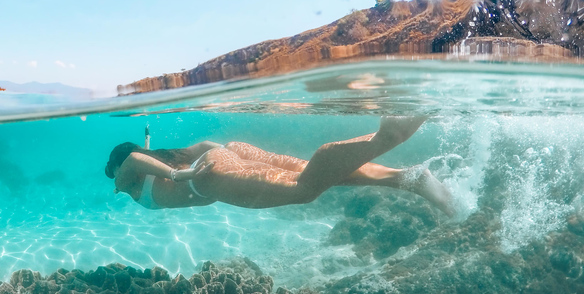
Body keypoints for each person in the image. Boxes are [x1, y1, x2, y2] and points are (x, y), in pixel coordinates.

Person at [104, 117, 454, 215]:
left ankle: (385, 137)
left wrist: (180, 175)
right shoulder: (160, 156)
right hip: (226, 153)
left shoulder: (129, 178)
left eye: (113, 174)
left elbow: (133, 159)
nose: (116, 185)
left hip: (207, 177)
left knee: (304, 191)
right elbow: (142, 153)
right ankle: (409, 178)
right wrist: (177, 165)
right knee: (323, 177)